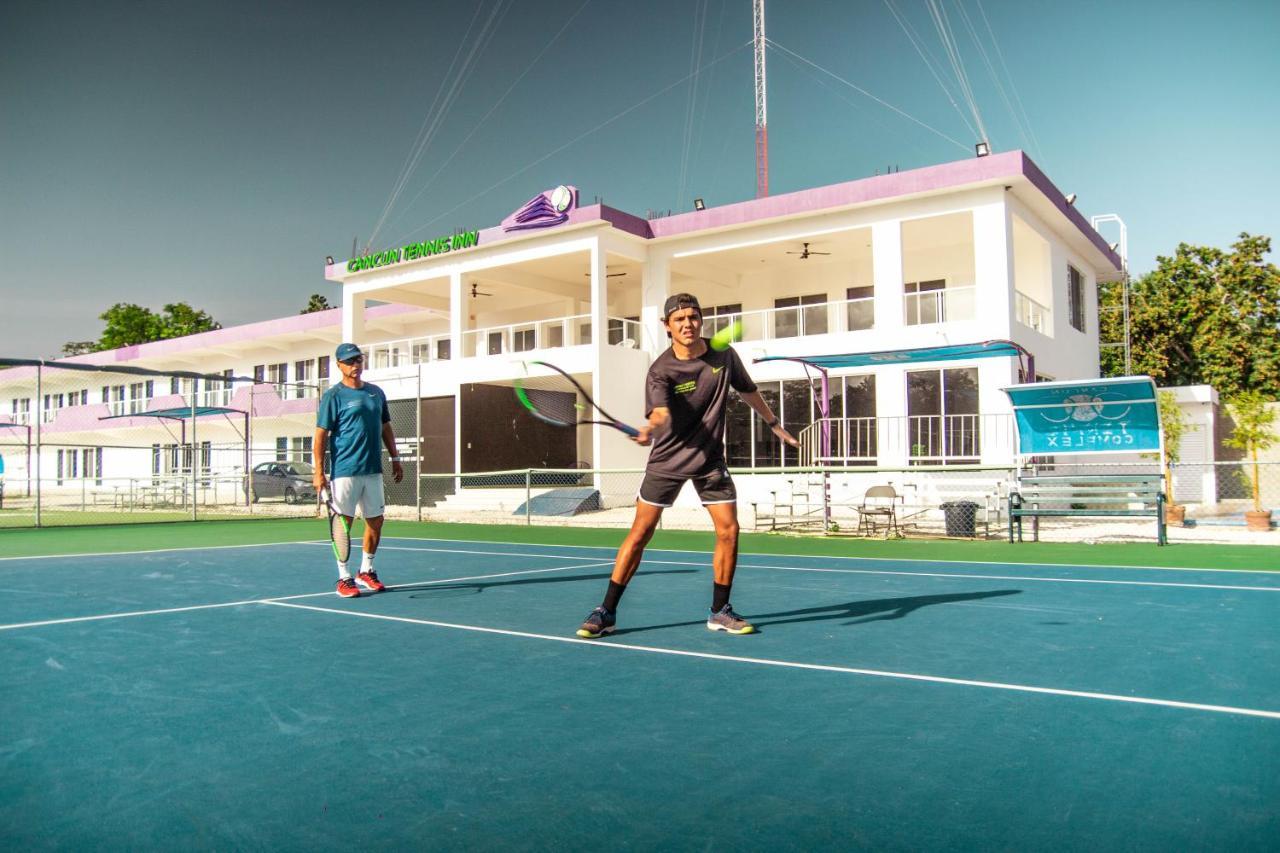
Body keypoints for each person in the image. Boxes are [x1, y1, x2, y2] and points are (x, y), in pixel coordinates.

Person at [576, 293, 798, 638]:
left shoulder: (723, 354)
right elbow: (660, 410)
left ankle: (719, 611)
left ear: (701, 321)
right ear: (667, 327)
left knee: (729, 530)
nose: (687, 324)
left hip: (710, 460)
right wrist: (652, 425)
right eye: (679, 320)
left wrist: (773, 423)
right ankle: (606, 611)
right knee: (640, 534)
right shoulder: (660, 370)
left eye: (693, 317)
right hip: (668, 459)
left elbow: (748, 390)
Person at [313, 342, 404, 598]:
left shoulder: (376, 393)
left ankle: (366, 570)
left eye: (359, 360)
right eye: (350, 361)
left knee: (376, 521)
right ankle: (344, 577)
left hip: (373, 470)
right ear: (339, 365)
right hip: (345, 470)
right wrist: (318, 472)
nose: (356, 365)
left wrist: (395, 458)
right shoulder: (334, 396)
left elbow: (386, 427)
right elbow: (320, 436)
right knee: (344, 523)